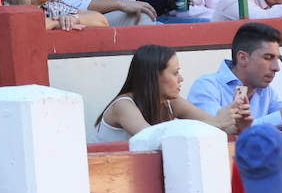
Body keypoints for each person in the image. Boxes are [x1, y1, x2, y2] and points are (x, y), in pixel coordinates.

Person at [94, 43, 250, 142]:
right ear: (154, 77)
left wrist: (240, 126)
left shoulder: (172, 102)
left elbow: (219, 127)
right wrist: (216, 123)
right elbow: (149, 138)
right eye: (175, 73)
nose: (181, 79)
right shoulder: (123, 106)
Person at [188, 22, 282, 129]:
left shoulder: (267, 92)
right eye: (268, 57)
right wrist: (280, 118)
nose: (277, 68)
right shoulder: (206, 87)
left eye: (277, 59)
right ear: (243, 58)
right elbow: (218, 132)